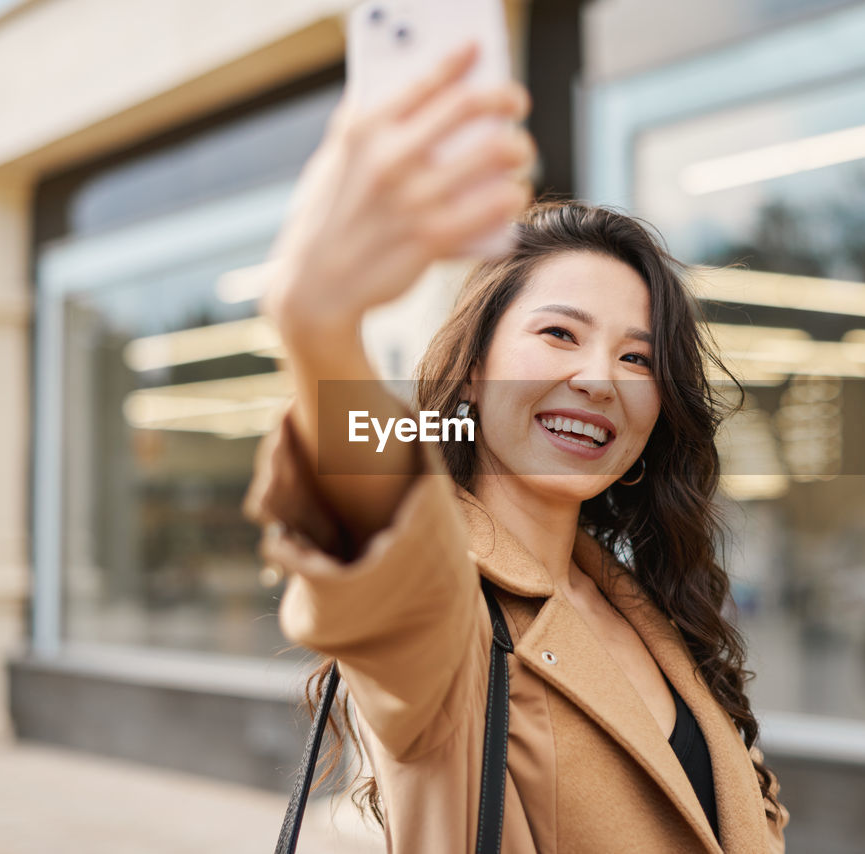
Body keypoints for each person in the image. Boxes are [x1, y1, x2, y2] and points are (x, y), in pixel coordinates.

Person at [244, 42, 789, 854]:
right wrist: (317, 329)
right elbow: (384, 538)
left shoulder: (647, 607)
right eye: (559, 333)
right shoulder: (447, 606)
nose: (600, 377)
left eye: (637, 357)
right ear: (471, 378)